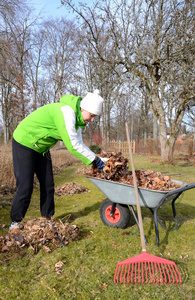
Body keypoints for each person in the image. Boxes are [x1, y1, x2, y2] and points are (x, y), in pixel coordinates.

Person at [9, 89, 105, 231]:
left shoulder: (77, 119)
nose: (92, 120)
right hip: (25, 142)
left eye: (94, 117)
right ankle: (15, 222)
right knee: (25, 186)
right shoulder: (66, 112)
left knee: (48, 184)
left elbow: (79, 143)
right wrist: (95, 161)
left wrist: (98, 159)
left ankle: (48, 219)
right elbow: (72, 145)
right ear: (83, 108)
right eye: (91, 115)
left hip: (41, 148)